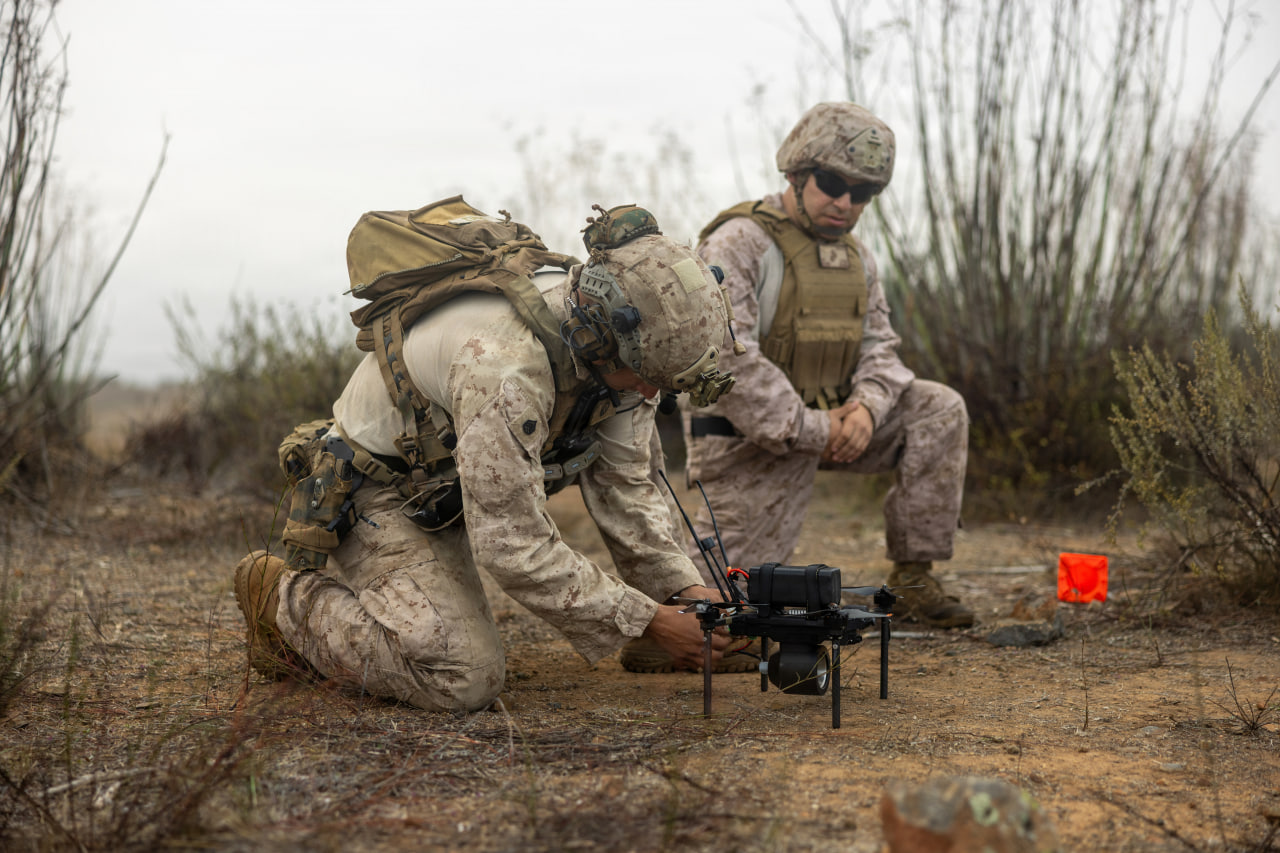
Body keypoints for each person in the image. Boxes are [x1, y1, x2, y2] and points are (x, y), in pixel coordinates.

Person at [234, 203, 753, 713]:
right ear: (597, 337)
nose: (646, 392)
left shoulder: (628, 353)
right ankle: (283, 600)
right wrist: (646, 619)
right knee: (464, 677)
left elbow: (629, 487)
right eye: (643, 377)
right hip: (385, 488)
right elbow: (511, 546)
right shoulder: (505, 371)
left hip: (454, 485)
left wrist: (681, 597)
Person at [628, 103, 971, 676]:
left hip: (834, 422)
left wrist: (867, 408)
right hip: (751, 440)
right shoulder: (738, 244)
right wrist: (815, 429)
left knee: (938, 408)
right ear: (796, 176)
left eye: (863, 193)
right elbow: (729, 359)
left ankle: (915, 577)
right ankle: (657, 627)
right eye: (834, 184)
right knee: (720, 614)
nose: (846, 202)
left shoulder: (859, 258)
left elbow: (881, 346)